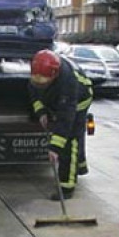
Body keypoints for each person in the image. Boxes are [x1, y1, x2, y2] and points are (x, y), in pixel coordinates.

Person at [29, 50, 93, 200]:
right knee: (63, 136)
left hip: (78, 102)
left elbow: (66, 117)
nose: (40, 83)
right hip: (58, 101)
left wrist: (55, 148)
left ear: (54, 74)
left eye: (43, 82)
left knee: (70, 141)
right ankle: (80, 166)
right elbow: (34, 92)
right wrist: (41, 112)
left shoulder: (68, 81)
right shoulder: (38, 70)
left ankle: (67, 187)